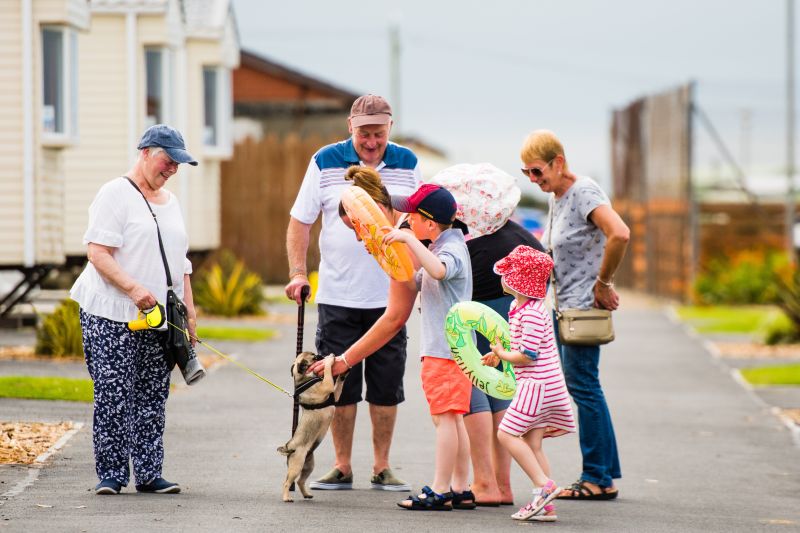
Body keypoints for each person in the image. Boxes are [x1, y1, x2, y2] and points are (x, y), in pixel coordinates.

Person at [284, 95, 420, 491]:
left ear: (390, 128)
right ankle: (342, 466)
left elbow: (419, 217)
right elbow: (300, 221)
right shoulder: (325, 161)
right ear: (350, 127)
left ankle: (382, 466)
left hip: (390, 295)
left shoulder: (407, 163)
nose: (372, 141)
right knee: (337, 383)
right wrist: (297, 272)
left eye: (379, 133)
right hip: (338, 295)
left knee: (386, 385)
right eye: (364, 133)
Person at [70, 124, 199, 495]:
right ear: (145, 152)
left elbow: (182, 262)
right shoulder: (114, 194)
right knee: (113, 394)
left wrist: (189, 312)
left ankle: (148, 473)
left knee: (152, 395)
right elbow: (97, 253)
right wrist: (133, 288)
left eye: (178, 163)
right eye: (167, 160)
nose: (172, 168)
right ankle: (111, 474)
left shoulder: (170, 203)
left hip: (159, 318)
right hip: (112, 313)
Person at [520, 129, 630, 500]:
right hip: (563, 305)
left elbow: (620, 233)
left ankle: (597, 476)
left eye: (538, 172)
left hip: (582, 306)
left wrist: (604, 283)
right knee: (583, 386)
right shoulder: (558, 196)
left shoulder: (583, 191)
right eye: (527, 174)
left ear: (559, 162)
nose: (535, 181)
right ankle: (604, 472)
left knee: (583, 386)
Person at [381, 184, 474, 511]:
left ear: (430, 224)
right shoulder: (441, 244)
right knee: (454, 418)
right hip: (449, 350)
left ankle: (440, 489)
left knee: (445, 420)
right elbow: (414, 280)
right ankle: (461, 488)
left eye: (412, 216)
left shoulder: (451, 251)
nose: (407, 220)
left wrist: (407, 240)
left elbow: (438, 270)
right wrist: (391, 252)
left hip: (446, 352)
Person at [481, 245, 576, 522]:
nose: (502, 277)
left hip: (536, 386)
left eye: (507, 273)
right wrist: (497, 355)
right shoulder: (518, 307)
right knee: (532, 444)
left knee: (506, 434)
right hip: (540, 384)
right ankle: (546, 504)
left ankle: (544, 486)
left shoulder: (532, 313)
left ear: (517, 281)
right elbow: (519, 346)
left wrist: (502, 354)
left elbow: (526, 355)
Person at [463, 217, 546, 506]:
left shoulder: (470, 233)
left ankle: (485, 482)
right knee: (497, 385)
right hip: (506, 306)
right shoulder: (516, 231)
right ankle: (502, 485)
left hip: (476, 307)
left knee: (474, 381)